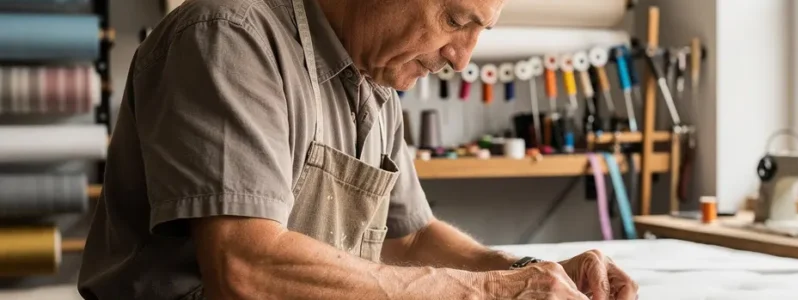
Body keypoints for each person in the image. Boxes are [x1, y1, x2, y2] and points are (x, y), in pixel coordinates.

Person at [78, 0, 638, 299]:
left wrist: (531, 271)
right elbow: (245, 269)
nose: (462, 59)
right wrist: (491, 293)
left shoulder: (376, 79)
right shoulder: (230, 38)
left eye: (479, 31)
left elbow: (410, 237)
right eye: (455, 19)